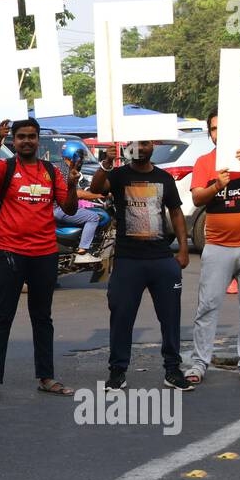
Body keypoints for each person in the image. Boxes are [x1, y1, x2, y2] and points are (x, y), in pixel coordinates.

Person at [0, 119, 79, 402]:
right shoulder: (6, 168)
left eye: (31, 137)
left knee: (42, 317)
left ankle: (46, 378)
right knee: (2, 317)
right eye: (21, 137)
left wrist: (71, 185)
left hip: (45, 254)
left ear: (38, 140)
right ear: (14, 140)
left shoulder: (51, 171)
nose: (26, 141)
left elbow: (69, 209)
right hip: (10, 252)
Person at [89, 140, 191, 391]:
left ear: (152, 147)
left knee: (170, 318)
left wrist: (184, 248)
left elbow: (176, 212)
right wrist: (106, 163)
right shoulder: (119, 175)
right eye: (136, 144)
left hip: (161, 259)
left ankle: (172, 370)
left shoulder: (164, 178)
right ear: (128, 147)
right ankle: (117, 372)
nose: (141, 148)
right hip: (128, 259)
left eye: (145, 143)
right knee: (121, 317)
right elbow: (96, 188)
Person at [184, 111, 240, 386]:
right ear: (209, 133)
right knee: (207, 306)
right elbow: (197, 197)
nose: (218, 133)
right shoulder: (204, 162)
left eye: (224, 128)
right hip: (217, 246)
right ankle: (199, 363)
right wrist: (217, 185)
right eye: (213, 129)